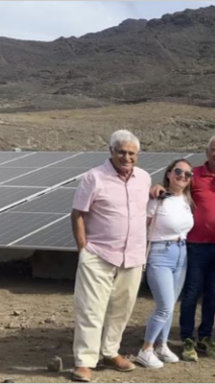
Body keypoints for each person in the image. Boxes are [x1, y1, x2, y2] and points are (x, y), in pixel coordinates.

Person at [150, 136, 215, 361]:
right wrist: (159, 186)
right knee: (191, 292)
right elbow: (175, 186)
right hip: (194, 245)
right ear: (207, 152)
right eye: (214, 150)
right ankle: (187, 337)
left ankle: (206, 336)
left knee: (212, 293)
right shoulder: (194, 175)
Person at [70, 130, 150, 382]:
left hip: (132, 257)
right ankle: (84, 361)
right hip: (99, 254)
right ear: (111, 151)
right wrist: (83, 249)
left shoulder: (144, 179)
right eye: (122, 152)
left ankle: (110, 351)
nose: (127, 157)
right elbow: (78, 214)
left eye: (131, 153)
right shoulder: (94, 178)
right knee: (91, 309)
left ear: (138, 155)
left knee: (122, 309)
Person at [136, 159, 195, 369]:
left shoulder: (186, 201)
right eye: (178, 171)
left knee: (171, 306)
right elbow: (140, 227)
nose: (183, 176)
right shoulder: (156, 200)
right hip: (160, 254)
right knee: (164, 306)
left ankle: (162, 344)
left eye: (188, 174)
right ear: (169, 173)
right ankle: (146, 349)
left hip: (181, 254)